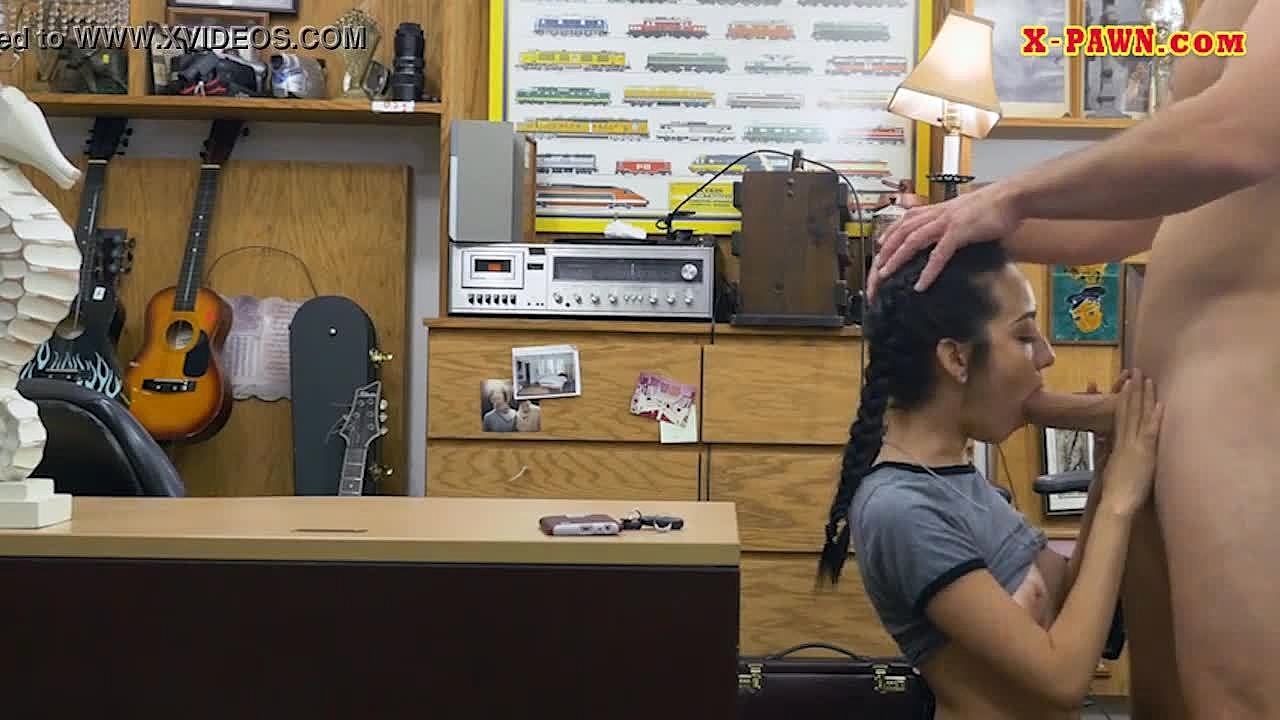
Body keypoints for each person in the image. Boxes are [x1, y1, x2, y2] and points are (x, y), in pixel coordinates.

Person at [867, 3, 1278, 717]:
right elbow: (1145, 210)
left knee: (1235, 694)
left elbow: (1245, 134)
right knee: (1170, 697)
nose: (1044, 356)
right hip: (1175, 406)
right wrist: (965, 221)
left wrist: (1013, 194)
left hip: (1246, 392)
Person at [817, 240, 1164, 719]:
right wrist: (1119, 504)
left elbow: (1069, 605)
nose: (1046, 356)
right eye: (1024, 336)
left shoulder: (955, 480)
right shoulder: (900, 508)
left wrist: (1106, 474)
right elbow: (1062, 677)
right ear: (956, 359)